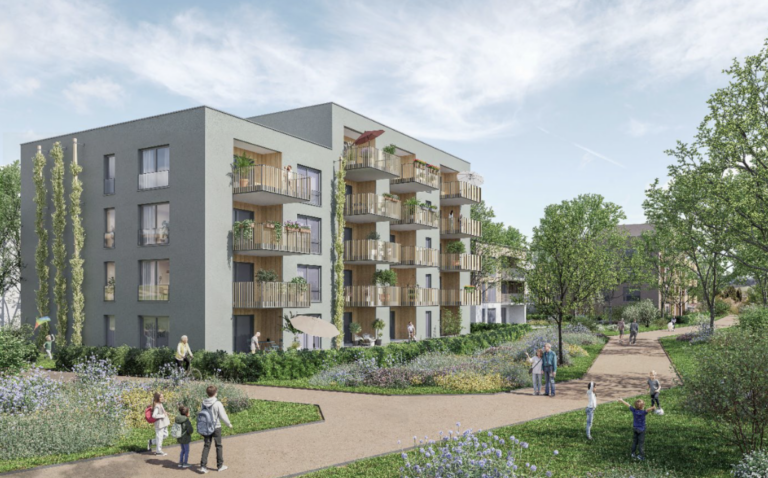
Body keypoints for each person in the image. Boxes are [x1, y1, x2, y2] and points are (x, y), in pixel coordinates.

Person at [199, 385, 233, 474]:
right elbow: (223, 416)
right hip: (216, 427)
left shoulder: (203, 403)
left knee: (206, 445)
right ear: (215, 393)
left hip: (206, 427)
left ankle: (203, 466)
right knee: (218, 445)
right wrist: (228, 424)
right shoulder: (217, 403)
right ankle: (220, 465)